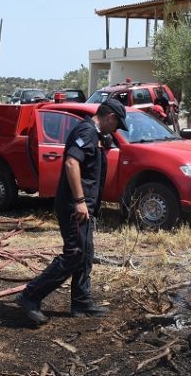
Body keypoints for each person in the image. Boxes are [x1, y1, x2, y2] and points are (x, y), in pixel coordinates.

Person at [15, 98, 127, 324]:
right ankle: (30, 296)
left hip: (85, 207)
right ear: (110, 118)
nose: (115, 130)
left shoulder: (93, 134)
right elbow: (71, 164)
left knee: (85, 255)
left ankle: (82, 302)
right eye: (116, 125)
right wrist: (79, 200)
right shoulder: (86, 132)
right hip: (75, 207)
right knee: (75, 254)